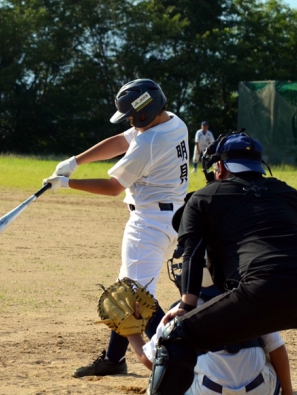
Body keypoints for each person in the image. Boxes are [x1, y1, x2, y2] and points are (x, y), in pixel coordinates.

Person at [141, 132, 297, 395]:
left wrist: (187, 306)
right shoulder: (292, 194)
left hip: (264, 289)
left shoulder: (203, 198)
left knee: (177, 338)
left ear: (220, 167)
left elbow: (192, 253)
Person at [43, 79, 189, 378]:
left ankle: (178, 358)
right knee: (128, 288)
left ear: (146, 113)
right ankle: (113, 359)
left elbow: (113, 187)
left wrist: (68, 183)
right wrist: (75, 161)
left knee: (136, 298)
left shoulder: (149, 143)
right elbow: (122, 140)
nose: (130, 122)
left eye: (133, 116)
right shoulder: (174, 121)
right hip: (172, 216)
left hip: (149, 223)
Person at [126, 285, 297, 395]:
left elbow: (151, 362)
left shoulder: (180, 311)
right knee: (269, 352)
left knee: (166, 366)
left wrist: (131, 333)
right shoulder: (253, 302)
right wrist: (288, 392)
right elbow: (278, 350)